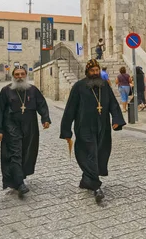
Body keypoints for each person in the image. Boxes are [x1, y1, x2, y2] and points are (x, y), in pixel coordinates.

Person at [60, 59, 126, 203]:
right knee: (90, 153)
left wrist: (116, 120)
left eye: (97, 70)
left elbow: (113, 105)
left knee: (100, 153)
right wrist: (66, 131)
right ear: (87, 72)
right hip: (84, 127)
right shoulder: (79, 87)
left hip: (102, 127)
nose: (95, 73)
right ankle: (96, 187)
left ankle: (86, 180)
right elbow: (70, 109)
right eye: (92, 71)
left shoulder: (105, 86)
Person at [0, 67, 51, 197]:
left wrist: (45, 118)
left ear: (26, 75)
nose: (20, 76)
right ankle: (20, 183)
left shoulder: (32, 90)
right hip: (11, 125)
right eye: (17, 74)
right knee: (15, 152)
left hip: (30, 126)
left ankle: (19, 176)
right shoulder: (6, 91)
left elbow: (41, 104)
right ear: (13, 76)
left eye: (22, 74)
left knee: (27, 151)